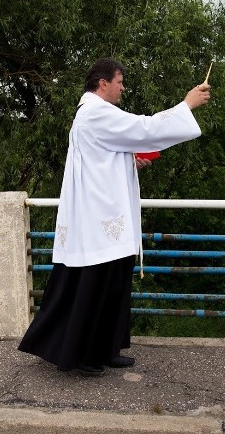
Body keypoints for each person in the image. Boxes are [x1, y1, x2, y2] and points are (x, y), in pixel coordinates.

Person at [18, 58, 211, 375]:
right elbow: (145, 129)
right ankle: (87, 355)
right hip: (100, 221)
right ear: (103, 83)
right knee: (97, 288)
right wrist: (186, 105)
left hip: (105, 219)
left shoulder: (93, 114)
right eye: (120, 81)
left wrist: (129, 161)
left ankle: (105, 349)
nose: (123, 87)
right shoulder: (96, 112)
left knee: (113, 287)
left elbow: (101, 158)